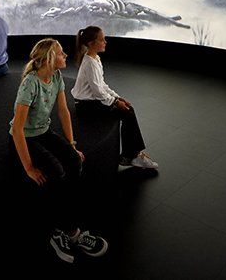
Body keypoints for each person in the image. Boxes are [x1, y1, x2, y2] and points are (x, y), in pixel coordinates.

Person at [9, 38, 108, 264]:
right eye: (61, 53)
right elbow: (17, 129)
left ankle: (66, 217)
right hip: (25, 137)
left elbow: (63, 111)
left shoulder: (56, 76)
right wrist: (28, 167)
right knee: (57, 173)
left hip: (43, 132)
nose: (65, 56)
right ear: (50, 59)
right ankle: (65, 232)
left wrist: (72, 144)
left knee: (75, 162)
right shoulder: (30, 83)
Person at [71, 26, 158, 169]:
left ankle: (132, 154)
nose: (105, 42)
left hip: (91, 102)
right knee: (127, 112)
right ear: (92, 43)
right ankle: (132, 156)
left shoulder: (95, 58)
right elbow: (98, 92)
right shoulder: (90, 63)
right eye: (102, 40)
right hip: (86, 107)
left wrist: (118, 97)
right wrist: (116, 103)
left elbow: (102, 85)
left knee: (128, 109)